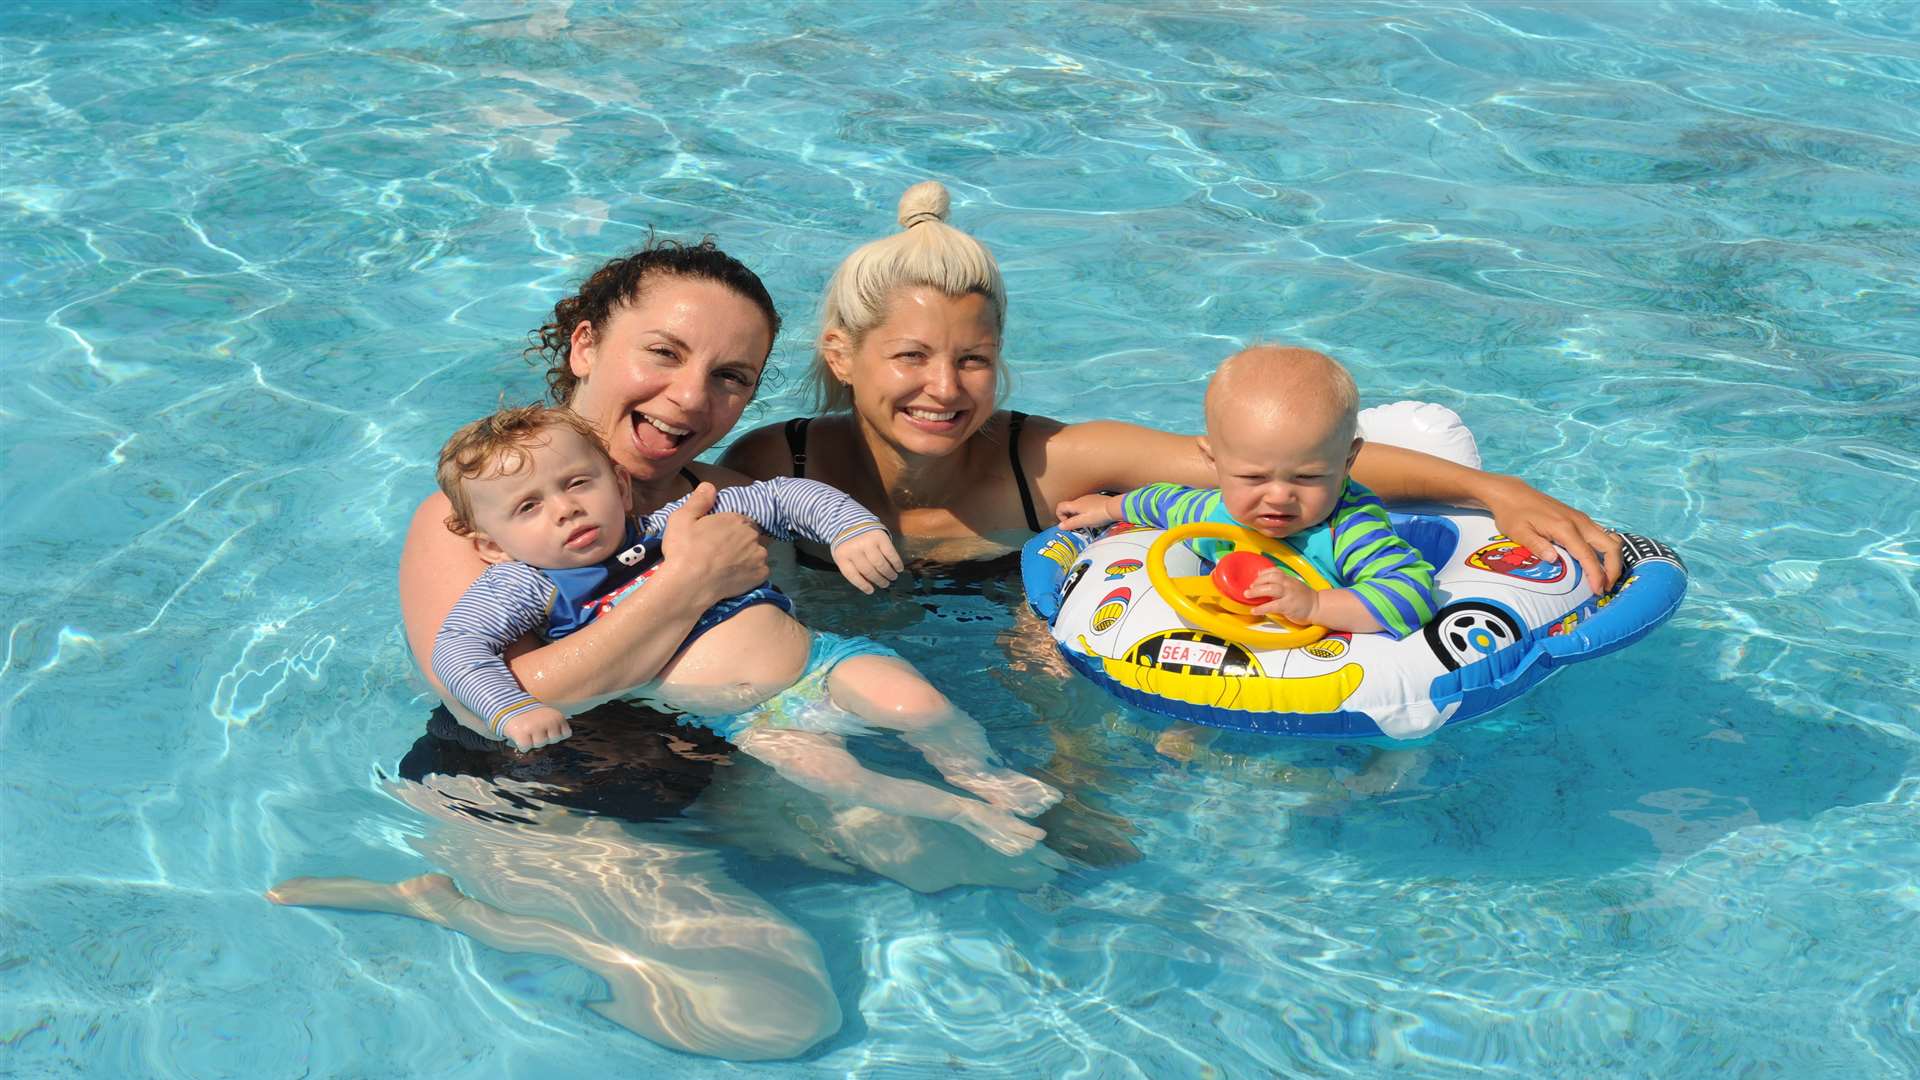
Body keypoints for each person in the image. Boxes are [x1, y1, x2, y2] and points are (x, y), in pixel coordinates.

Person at [271, 239, 1055, 1062]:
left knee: (1014, 859)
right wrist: (684, 584)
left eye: (730, 377)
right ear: (584, 347)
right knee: (779, 1017)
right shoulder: (484, 521)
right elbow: (490, 699)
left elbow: (773, 659)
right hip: (532, 801)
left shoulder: (720, 499)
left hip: (707, 770)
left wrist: (1037, 591)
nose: (690, 397)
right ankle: (481, 914)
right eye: (664, 353)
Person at [720, 180, 1624, 588]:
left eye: (974, 359)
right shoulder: (778, 460)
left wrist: (1490, 489)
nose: (945, 388)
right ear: (842, 355)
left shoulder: (1055, 461)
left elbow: (1270, 471)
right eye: (910, 357)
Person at [429, 403, 1059, 854]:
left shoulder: (679, 518)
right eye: (529, 507)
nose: (564, 509)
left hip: (824, 664)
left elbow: (786, 496)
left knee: (916, 705)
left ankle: (976, 773)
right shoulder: (524, 587)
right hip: (752, 721)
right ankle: (962, 812)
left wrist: (849, 528)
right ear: (490, 544)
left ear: (619, 485)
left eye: (577, 483)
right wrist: (509, 709)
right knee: (844, 781)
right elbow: (459, 651)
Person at [1055, 345, 1438, 639]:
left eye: (1307, 478)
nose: (1278, 497)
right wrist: (1108, 508)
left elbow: (1412, 593)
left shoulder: (1351, 526)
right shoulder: (1213, 511)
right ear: (1213, 461)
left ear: (1348, 462)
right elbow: (1163, 501)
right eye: (1254, 478)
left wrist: (1315, 604)